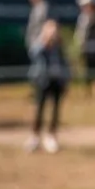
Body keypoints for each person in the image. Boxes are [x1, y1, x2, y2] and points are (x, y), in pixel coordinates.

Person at [25, 19, 70, 154]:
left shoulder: (60, 47)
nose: (53, 34)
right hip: (42, 81)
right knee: (39, 109)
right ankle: (35, 137)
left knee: (55, 110)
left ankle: (51, 137)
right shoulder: (40, 45)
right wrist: (44, 41)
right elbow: (33, 53)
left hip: (57, 81)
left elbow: (65, 63)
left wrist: (66, 79)